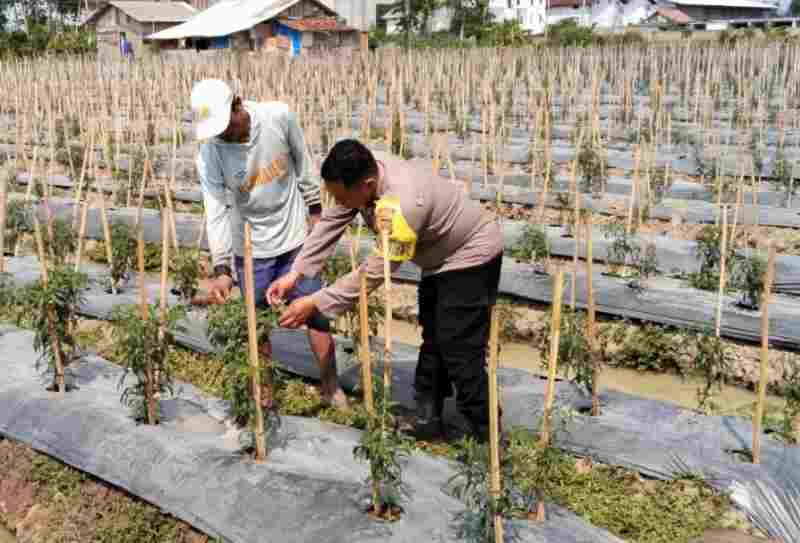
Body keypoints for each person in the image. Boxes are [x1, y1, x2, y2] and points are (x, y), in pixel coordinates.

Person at [268, 139, 504, 442]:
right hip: (438, 258)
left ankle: (488, 434)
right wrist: (296, 273)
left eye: (342, 196)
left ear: (366, 185)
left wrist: (315, 302)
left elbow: (375, 272)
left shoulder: (404, 204)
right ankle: (427, 418)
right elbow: (330, 223)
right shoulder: (364, 173)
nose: (339, 202)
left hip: (472, 253)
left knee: (459, 347)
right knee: (434, 335)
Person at [190, 79, 347, 409]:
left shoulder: (278, 117)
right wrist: (222, 268)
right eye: (215, 130)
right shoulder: (210, 153)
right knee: (257, 322)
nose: (223, 135)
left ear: (238, 104)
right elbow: (216, 209)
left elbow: (303, 163)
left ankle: (330, 385)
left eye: (226, 126)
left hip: (294, 238)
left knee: (314, 312)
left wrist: (315, 211)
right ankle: (265, 390)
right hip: (250, 246)